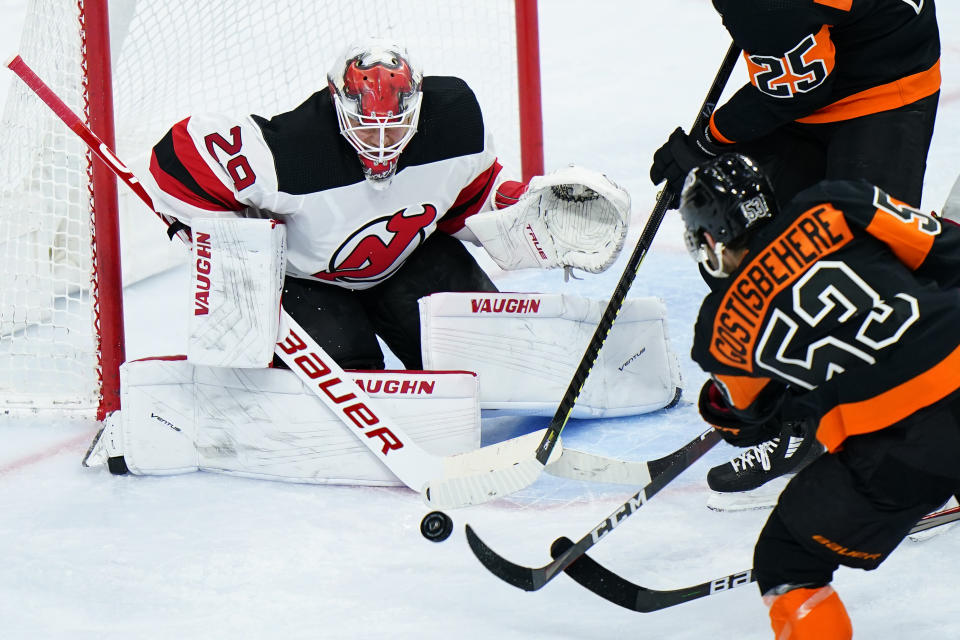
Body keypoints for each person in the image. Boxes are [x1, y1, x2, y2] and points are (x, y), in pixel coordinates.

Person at [144, 38, 629, 371]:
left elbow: (465, 197)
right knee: (351, 374)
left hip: (408, 264)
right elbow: (174, 163)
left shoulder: (453, 121)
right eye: (367, 125)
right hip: (309, 283)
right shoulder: (291, 151)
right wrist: (221, 239)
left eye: (396, 126)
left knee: (490, 357)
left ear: (417, 105)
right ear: (336, 103)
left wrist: (517, 206)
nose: (382, 141)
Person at [650, 0, 941, 495]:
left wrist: (709, 139)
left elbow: (799, 87)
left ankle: (908, 445)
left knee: (858, 276)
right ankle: (788, 401)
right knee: (734, 233)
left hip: (884, 85)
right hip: (823, 61)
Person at [680, 153, 960, 638]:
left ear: (710, 238)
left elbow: (747, 418)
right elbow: (950, 251)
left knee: (786, 561)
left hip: (897, 447)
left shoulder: (719, 326)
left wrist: (716, 403)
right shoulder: (835, 201)